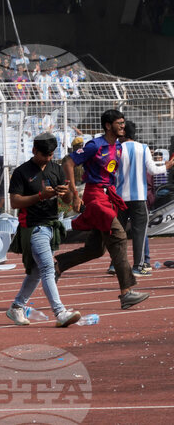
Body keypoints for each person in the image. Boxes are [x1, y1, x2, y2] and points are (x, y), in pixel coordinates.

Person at [56, 110, 149, 310]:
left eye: (124, 123)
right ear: (108, 125)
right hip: (95, 196)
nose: (123, 126)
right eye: (119, 123)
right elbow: (68, 162)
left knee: (96, 249)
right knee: (119, 235)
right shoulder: (94, 145)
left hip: (108, 196)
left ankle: (58, 265)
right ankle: (127, 292)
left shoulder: (118, 147)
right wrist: (75, 193)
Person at [5, 133, 81, 328]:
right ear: (33, 150)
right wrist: (40, 196)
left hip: (52, 225)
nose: (48, 158)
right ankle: (60, 312)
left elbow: (67, 203)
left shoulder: (56, 169)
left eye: (51, 154)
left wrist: (66, 195)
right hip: (32, 227)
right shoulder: (22, 172)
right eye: (44, 155)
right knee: (48, 268)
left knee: (37, 272)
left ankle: (17, 306)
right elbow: (14, 201)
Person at [116, 120, 174, 275]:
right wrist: (167, 166)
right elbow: (153, 170)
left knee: (118, 233)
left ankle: (115, 265)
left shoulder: (116, 148)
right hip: (139, 197)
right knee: (139, 233)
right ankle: (139, 266)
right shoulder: (143, 148)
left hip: (120, 197)